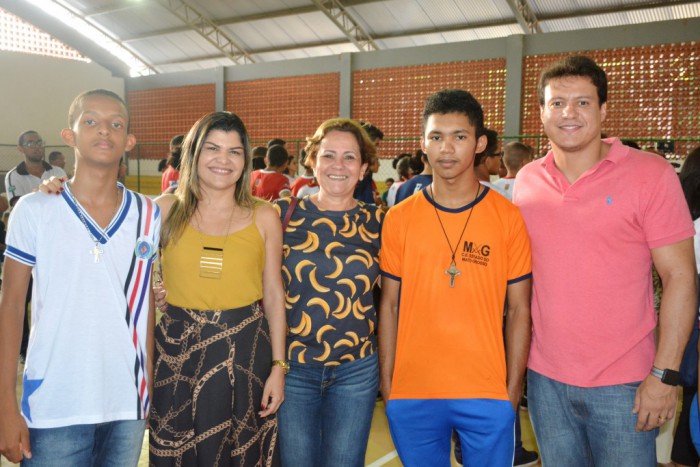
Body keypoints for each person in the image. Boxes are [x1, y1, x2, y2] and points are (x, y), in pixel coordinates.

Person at [513, 55, 697, 466]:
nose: (568, 113)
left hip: (627, 383)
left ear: (603, 110)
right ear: (541, 112)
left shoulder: (650, 174)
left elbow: (681, 277)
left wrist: (664, 374)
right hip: (545, 381)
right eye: (557, 103)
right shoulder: (526, 181)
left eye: (582, 102)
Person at [0, 89, 159, 466]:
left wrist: (147, 386)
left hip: (126, 405)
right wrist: (6, 403)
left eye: (116, 124)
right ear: (69, 135)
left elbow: (145, 304)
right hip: (55, 404)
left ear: (129, 141)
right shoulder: (34, 209)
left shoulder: (148, 213)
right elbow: (10, 308)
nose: (104, 131)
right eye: (91, 121)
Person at [378, 89, 532, 466]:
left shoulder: (507, 217)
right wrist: (389, 384)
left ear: (479, 143)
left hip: (486, 392)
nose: (446, 148)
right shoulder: (398, 218)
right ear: (423, 144)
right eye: (436, 137)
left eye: (459, 137)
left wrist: (511, 393)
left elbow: (519, 311)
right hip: (412, 392)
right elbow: (389, 306)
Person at [149, 111, 286, 466]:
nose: (223, 160)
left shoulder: (264, 215)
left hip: (245, 355)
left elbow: (273, 295)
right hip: (176, 356)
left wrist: (278, 367)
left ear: (246, 159)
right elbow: (132, 275)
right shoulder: (163, 211)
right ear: (193, 153)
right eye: (213, 148)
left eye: (234, 151)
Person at [275, 118, 383, 467]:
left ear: (364, 168)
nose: (338, 165)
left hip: (356, 370)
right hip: (292, 369)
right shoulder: (281, 215)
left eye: (349, 157)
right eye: (328, 155)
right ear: (312, 161)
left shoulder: (381, 222)